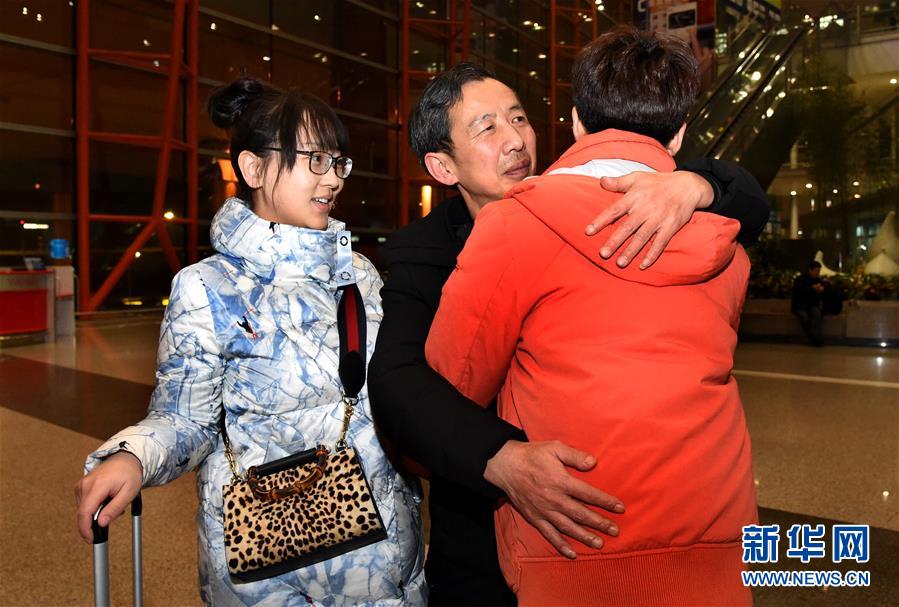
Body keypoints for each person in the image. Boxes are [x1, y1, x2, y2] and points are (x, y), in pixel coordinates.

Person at [368, 62, 768, 605]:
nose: (515, 140)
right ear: (442, 165)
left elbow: (746, 200)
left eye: (519, 118)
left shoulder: (596, 200)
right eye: (487, 128)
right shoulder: (422, 253)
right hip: (480, 513)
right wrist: (497, 455)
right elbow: (399, 382)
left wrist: (696, 183)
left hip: (603, 524)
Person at [74, 78, 426, 606]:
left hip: (385, 550)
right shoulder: (206, 288)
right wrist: (132, 458)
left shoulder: (358, 274)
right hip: (271, 570)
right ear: (254, 169)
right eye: (315, 160)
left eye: (338, 162)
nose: (333, 178)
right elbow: (185, 419)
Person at [792, 260, 826, 345]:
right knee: (805, 317)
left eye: (819, 271)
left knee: (817, 314)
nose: (818, 273)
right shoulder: (800, 279)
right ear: (810, 270)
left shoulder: (817, 280)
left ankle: (815, 337)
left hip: (811, 305)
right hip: (800, 305)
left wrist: (821, 289)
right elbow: (799, 292)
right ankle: (813, 338)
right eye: (816, 271)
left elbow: (825, 288)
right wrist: (812, 288)